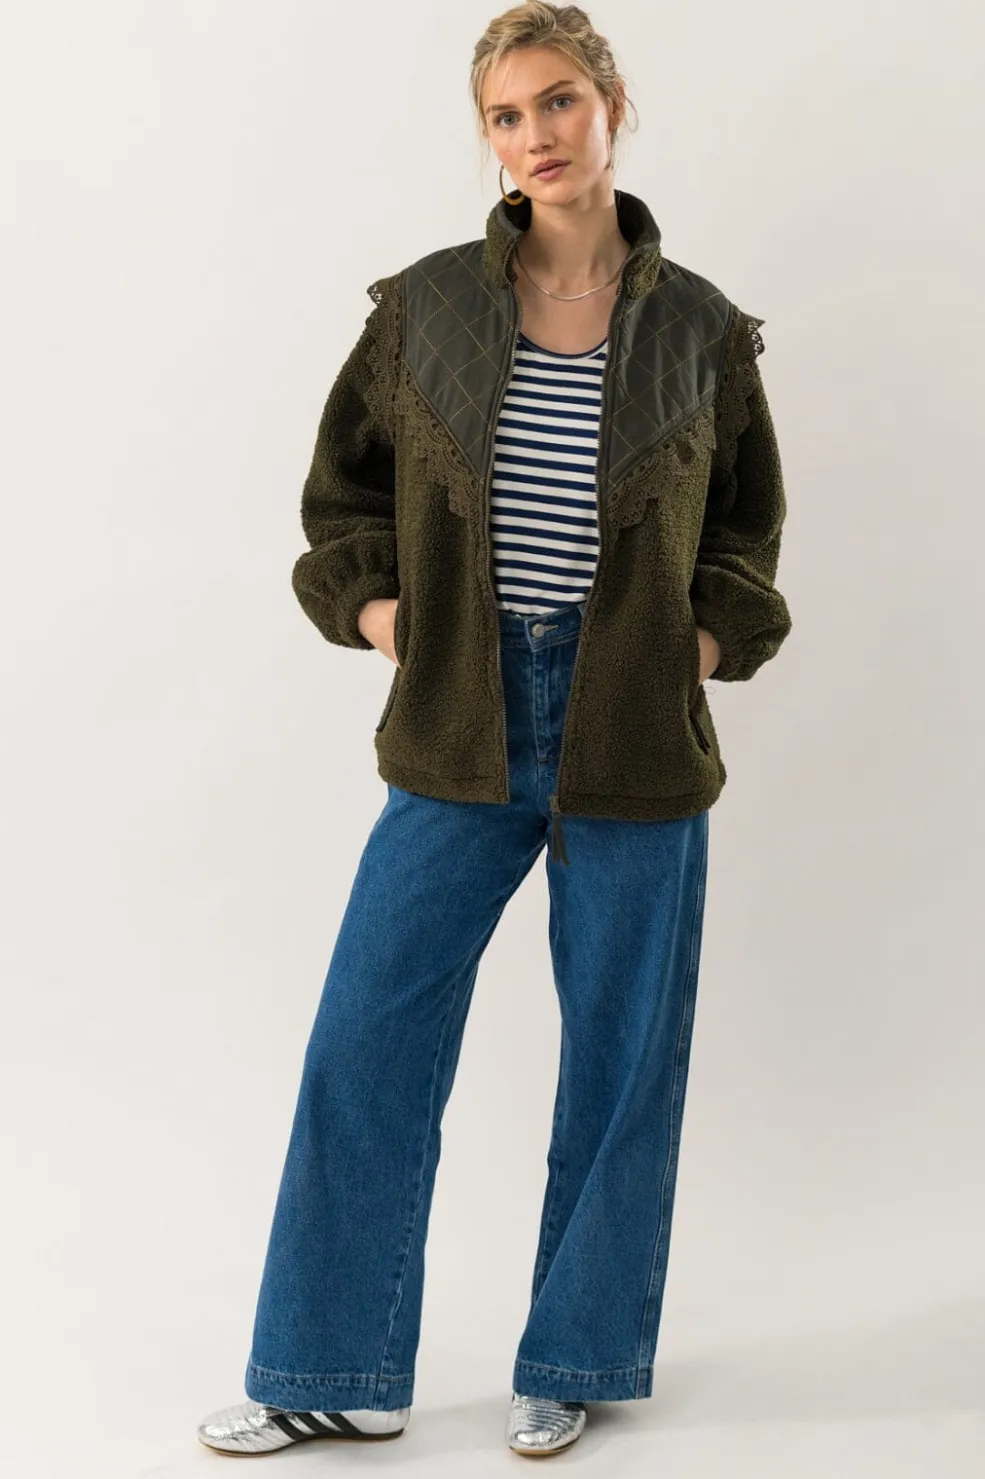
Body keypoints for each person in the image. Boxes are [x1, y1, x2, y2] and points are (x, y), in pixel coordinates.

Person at [197, 0, 792, 1460]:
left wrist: (695, 648)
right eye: (508, 116)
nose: (537, 135)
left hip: (632, 732)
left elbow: (743, 532)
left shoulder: (701, 329)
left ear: (612, 107)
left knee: (621, 1059)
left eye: (560, 102)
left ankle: (574, 1355)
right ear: (490, 138)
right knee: (369, 1033)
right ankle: (332, 1367)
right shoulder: (426, 310)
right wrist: (389, 621)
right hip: (461, 720)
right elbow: (342, 498)